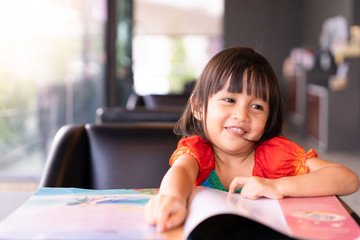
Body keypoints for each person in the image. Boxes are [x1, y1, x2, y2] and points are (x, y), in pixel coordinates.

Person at [144, 47, 360, 233]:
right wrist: (172, 198)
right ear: (199, 108)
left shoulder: (275, 155)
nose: (242, 115)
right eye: (229, 100)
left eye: (257, 106)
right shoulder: (197, 152)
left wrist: (279, 186)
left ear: (268, 118)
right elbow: (180, 171)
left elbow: (348, 179)